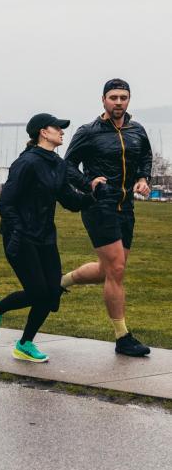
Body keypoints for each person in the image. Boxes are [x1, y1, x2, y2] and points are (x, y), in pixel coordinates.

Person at [0, 113, 103, 363]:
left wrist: (93, 194)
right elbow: (6, 204)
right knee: (38, 293)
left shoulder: (57, 164)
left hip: (45, 237)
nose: (61, 131)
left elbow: (69, 199)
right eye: (57, 127)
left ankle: (25, 344)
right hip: (21, 236)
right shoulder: (26, 163)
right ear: (42, 133)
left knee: (52, 294)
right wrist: (16, 232)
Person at [62, 78, 153, 357]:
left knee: (108, 270)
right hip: (99, 206)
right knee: (116, 269)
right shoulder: (88, 132)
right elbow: (66, 165)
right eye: (113, 97)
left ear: (129, 100)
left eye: (123, 97)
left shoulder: (137, 130)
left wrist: (143, 178)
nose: (118, 102)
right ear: (103, 100)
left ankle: (60, 283)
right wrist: (88, 182)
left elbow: (145, 156)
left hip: (125, 208)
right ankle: (122, 336)